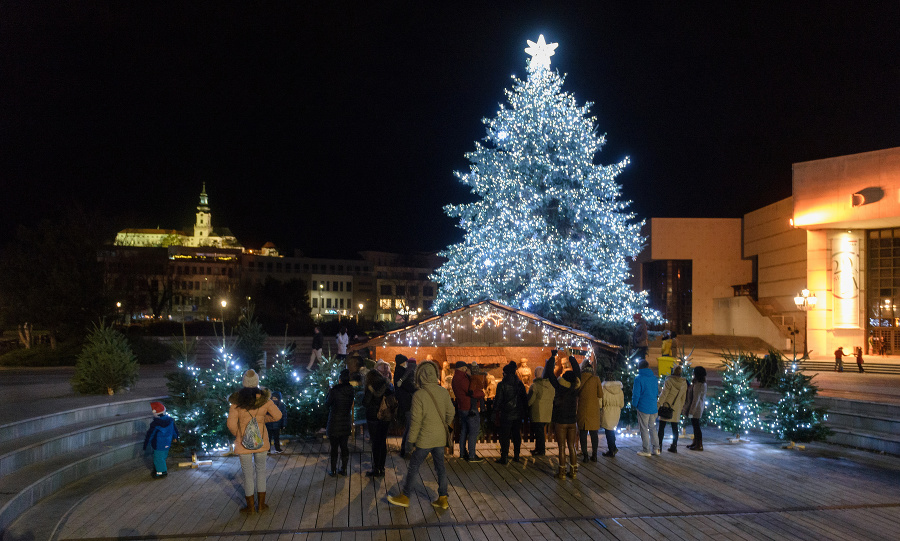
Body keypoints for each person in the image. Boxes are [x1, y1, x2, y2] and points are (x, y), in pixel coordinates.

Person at [387, 360, 455, 510]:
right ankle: (443, 498)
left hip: (425, 438)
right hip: (439, 438)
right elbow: (451, 413)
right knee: (440, 467)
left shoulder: (419, 395)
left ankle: (405, 496)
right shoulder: (443, 391)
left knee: (414, 466)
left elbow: (415, 421)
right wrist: (443, 423)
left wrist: (410, 442)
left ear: (420, 376)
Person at [227, 369, 282, 514]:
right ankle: (262, 505)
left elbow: (231, 425)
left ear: (244, 382)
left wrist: (239, 434)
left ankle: (250, 507)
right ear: (257, 382)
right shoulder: (265, 400)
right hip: (261, 441)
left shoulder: (237, 402)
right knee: (261, 472)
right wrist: (263, 420)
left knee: (247, 475)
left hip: (243, 443)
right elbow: (278, 415)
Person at [545, 351, 582, 479]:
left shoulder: (559, 387)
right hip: (572, 421)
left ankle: (561, 472)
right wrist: (571, 356)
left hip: (561, 421)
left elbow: (550, 374)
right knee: (571, 446)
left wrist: (552, 357)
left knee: (561, 447)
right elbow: (578, 371)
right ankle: (573, 471)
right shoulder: (575, 388)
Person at [493, 361, 528, 464]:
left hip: (506, 414)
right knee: (516, 435)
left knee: (505, 436)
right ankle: (516, 455)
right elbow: (524, 399)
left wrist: (494, 411)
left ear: (506, 373)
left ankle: (504, 457)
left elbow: (498, 400)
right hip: (517, 414)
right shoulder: (520, 384)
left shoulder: (502, 384)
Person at [363, 364, 393, 477]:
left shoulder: (371, 387)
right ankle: (382, 468)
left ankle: (376, 469)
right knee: (382, 442)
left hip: (373, 417)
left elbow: (365, 403)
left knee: (375, 443)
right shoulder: (386, 385)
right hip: (385, 416)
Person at [451, 361, 484, 462]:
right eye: (465, 368)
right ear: (462, 368)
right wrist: (482, 393)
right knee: (473, 432)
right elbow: (472, 392)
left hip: (462, 407)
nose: (467, 370)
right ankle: (472, 455)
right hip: (469, 408)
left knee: (464, 430)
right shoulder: (462, 378)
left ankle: (462, 453)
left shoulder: (455, 378)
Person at [325, 369, 355, 476]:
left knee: (334, 448)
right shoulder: (351, 390)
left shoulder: (334, 390)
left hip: (334, 422)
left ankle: (333, 470)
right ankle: (344, 469)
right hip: (345, 422)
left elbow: (327, 403)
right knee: (344, 446)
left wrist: (329, 392)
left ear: (340, 379)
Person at [143, 401, 179, 479]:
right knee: (163, 457)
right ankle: (160, 470)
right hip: (167, 443)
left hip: (158, 444)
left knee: (158, 459)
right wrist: (175, 437)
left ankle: (160, 473)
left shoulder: (155, 424)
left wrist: (146, 444)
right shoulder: (170, 421)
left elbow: (150, 435)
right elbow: (174, 430)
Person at [632, 359, 660, 457]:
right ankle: (656, 448)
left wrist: (634, 404)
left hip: (643, 406)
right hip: (653, 406)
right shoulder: (654, 378)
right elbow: (656, 393)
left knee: (644, 428)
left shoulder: (638, 379)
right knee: (652, 428)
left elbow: (636, 394)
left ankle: (646, 450)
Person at [577, 359, 603, 462]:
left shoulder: (580, 378)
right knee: (594, 434)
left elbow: (576, 392)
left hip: (582, 410)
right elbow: (600, 395)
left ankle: (585, 456)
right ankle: (595, 455)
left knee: (583, 434)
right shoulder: (596, 379)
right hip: (593, 411)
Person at [657, 365, 688, 453]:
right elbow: (683, 397)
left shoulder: (669, 381)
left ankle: (659, 446)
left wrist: (658, 404)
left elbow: (664, 394)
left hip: (666, 406)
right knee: (675, 427)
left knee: (662, 427)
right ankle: (674, 446)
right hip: (676, 407)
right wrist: (680, 407)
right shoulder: (684, 383)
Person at [527, 365, 554, 456]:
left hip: (537, 412)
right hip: (547, 412)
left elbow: (530, 400)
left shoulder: (535, 386)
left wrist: (526, 404)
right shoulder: (551, 385)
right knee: (541, 431)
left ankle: (541, 450)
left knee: (539, 433)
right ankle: (538, 448)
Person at [393, 354, 417, 457]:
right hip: (407, 403)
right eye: (405, 361)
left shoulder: (399, 372)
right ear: (402, 362)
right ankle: (407, 450)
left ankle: (404, 449)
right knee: (410, 427)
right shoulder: (402, 372)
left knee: (408, 427)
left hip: (404, 402)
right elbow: (409, 386)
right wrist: (417, 389)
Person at [684, 366, 708, 451]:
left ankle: (699, 444)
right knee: (695, 426)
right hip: (696, 407)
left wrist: (691, 412)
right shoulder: (698, 383)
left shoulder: (699, 384)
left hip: (696, 409)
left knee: (696, 426)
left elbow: (696, 399)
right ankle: (695, 442)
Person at [600, 374, 624, 457]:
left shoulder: (603, 389)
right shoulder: (619, 390)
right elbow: (622, 404)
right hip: (616, 412)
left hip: (607, 411)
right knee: (612, 430)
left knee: (608, 431)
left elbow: (600, 403)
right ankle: (613, 448)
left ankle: (612, 450)